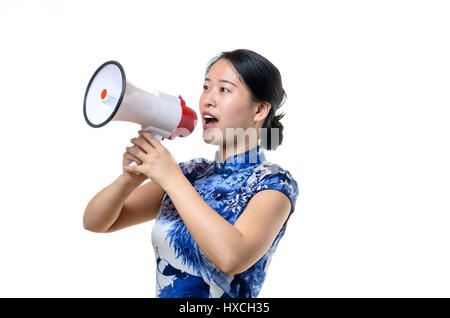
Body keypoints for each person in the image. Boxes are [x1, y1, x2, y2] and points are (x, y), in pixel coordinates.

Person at [83, 49, 299, 298]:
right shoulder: (190, 173)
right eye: (206, 87)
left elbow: (231, 257)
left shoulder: (274, 183)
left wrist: (171, 177)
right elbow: (95, 222)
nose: (208, 99)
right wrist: (127, 181)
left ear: (260, 110)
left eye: (224, 90)